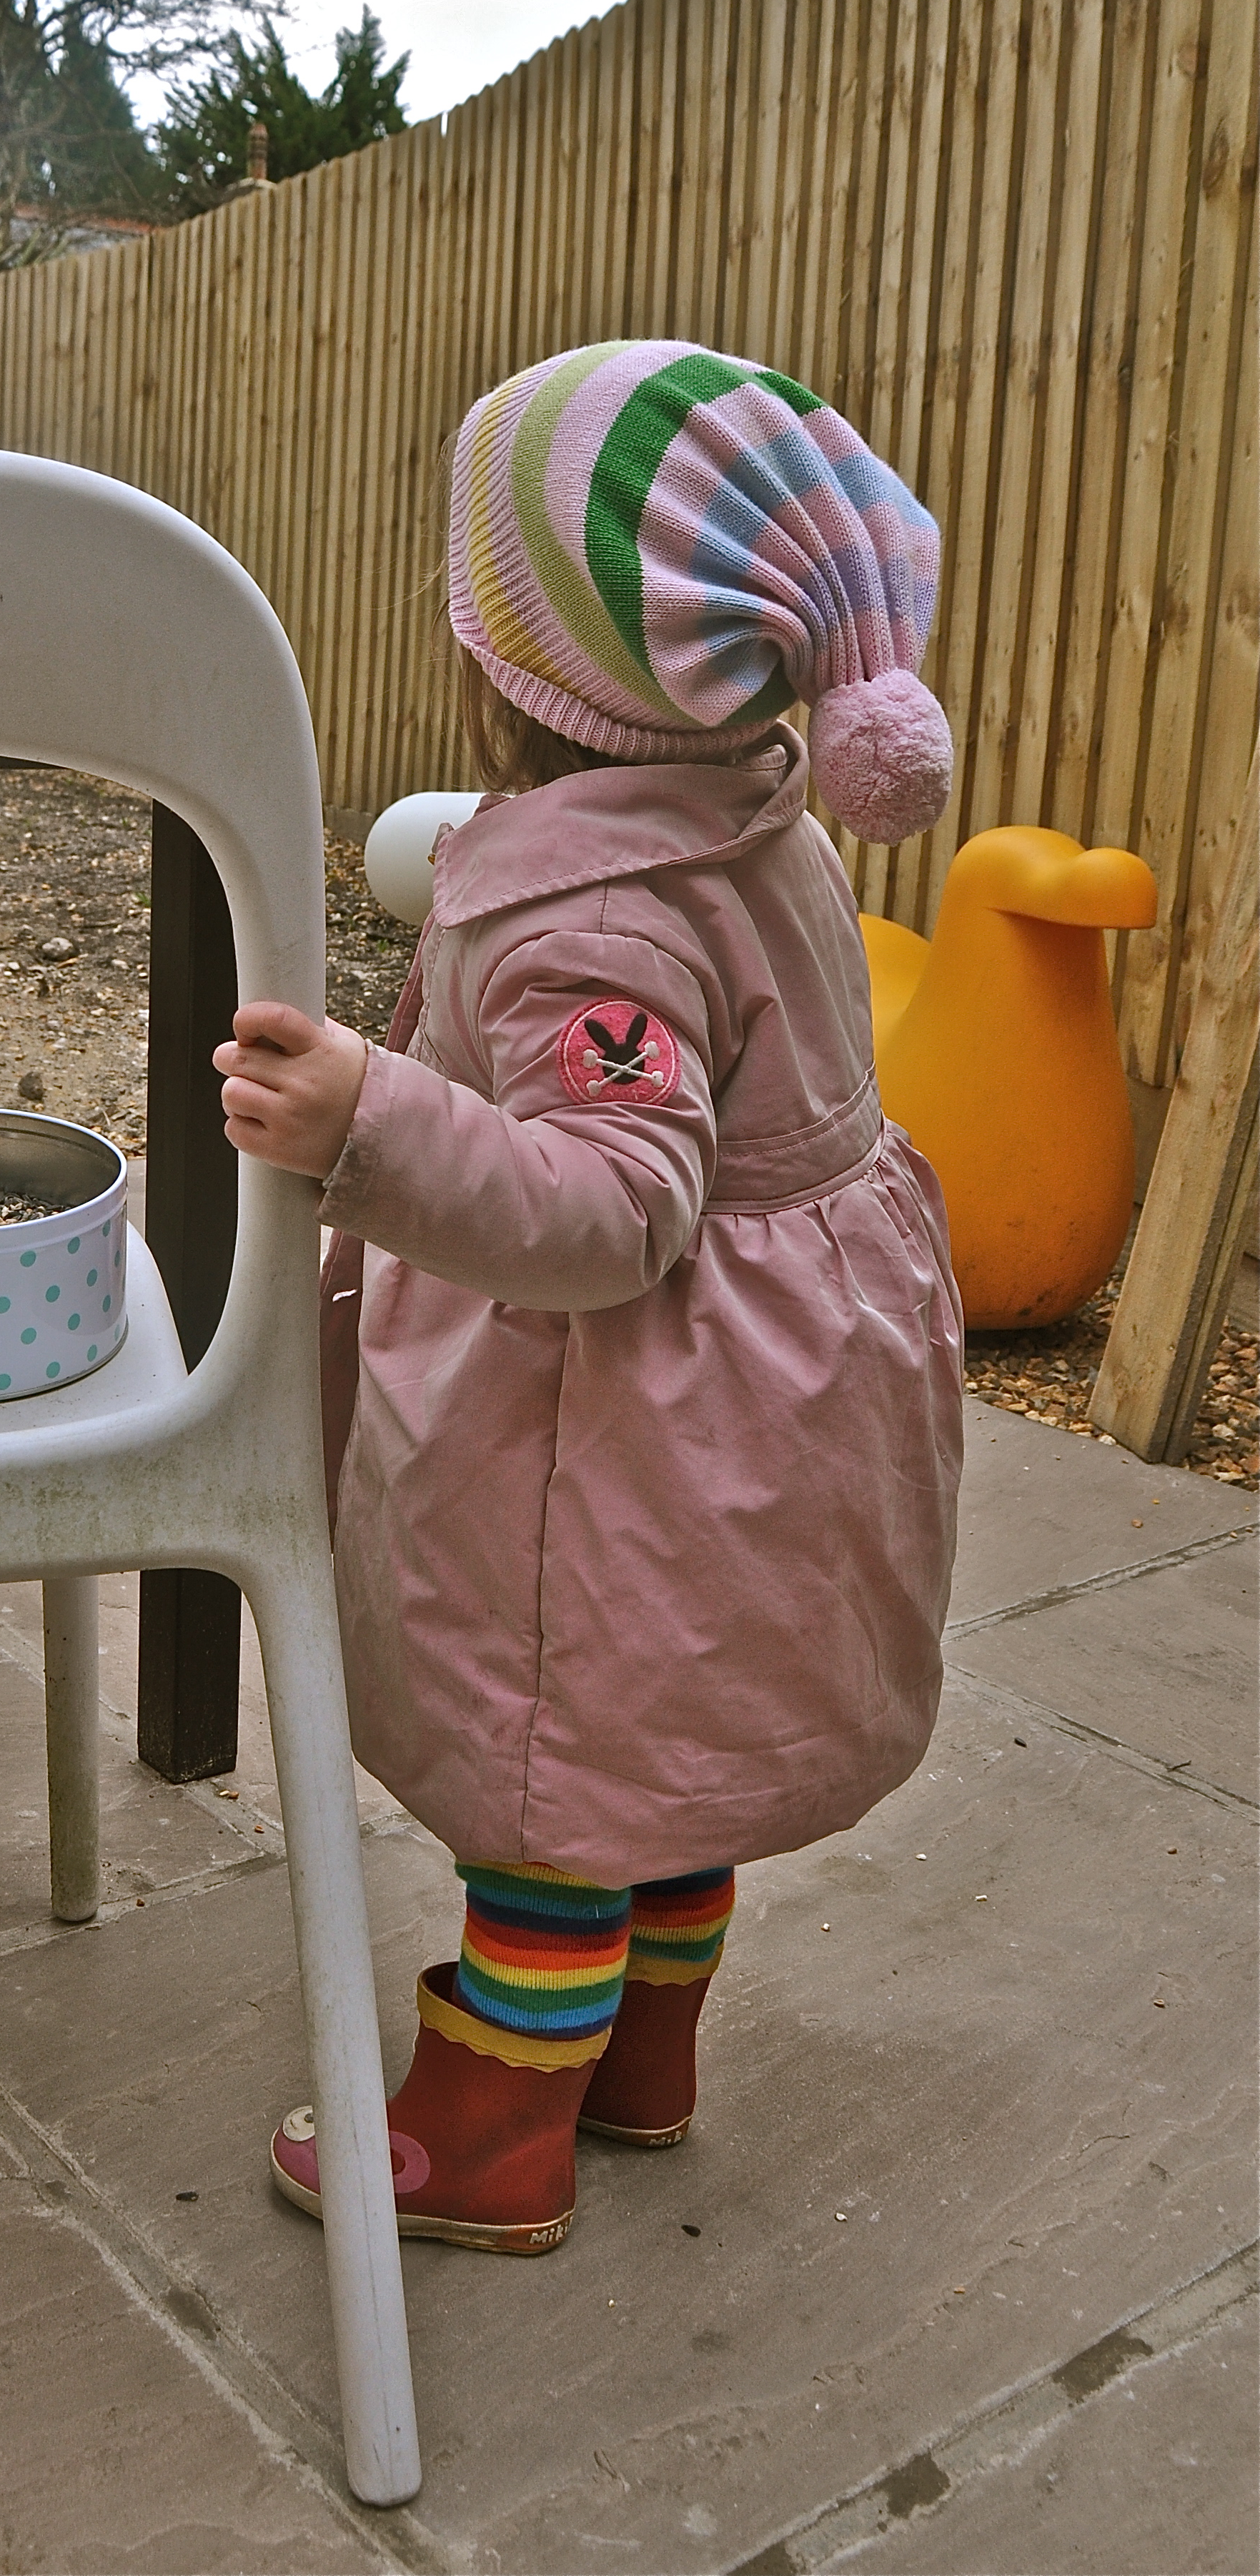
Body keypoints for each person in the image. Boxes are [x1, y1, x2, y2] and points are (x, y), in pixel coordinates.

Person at [215, 340, 966, 2256]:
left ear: (523, 663)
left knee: (554, 1773)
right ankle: (640, 2062)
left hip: (624, 1428)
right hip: (771, 1402)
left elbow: (614, 1204)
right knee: (668, 1747)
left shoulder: (599, 919)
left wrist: (369, 1116)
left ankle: (485, 2140)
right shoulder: (739, 816)